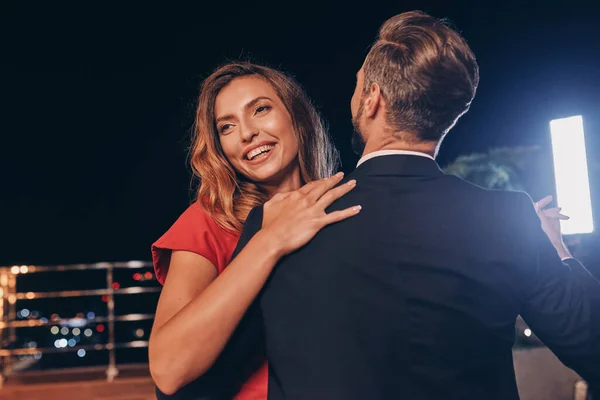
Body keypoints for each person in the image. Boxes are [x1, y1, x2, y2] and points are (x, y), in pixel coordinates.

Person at [227, 11, 600, 400]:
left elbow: (207, 376)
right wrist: (556, 247)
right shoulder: (508, 218)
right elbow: (591, 345)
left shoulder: (283, 221)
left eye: (358, 86)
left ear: (372, 99)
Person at [148, 62, 361, 399]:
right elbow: (169, 369)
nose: (246, 133)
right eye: (227, 127)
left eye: (260, 109)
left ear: (298, 116)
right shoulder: (209, 221)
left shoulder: (343, 209)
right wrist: (270, 240)